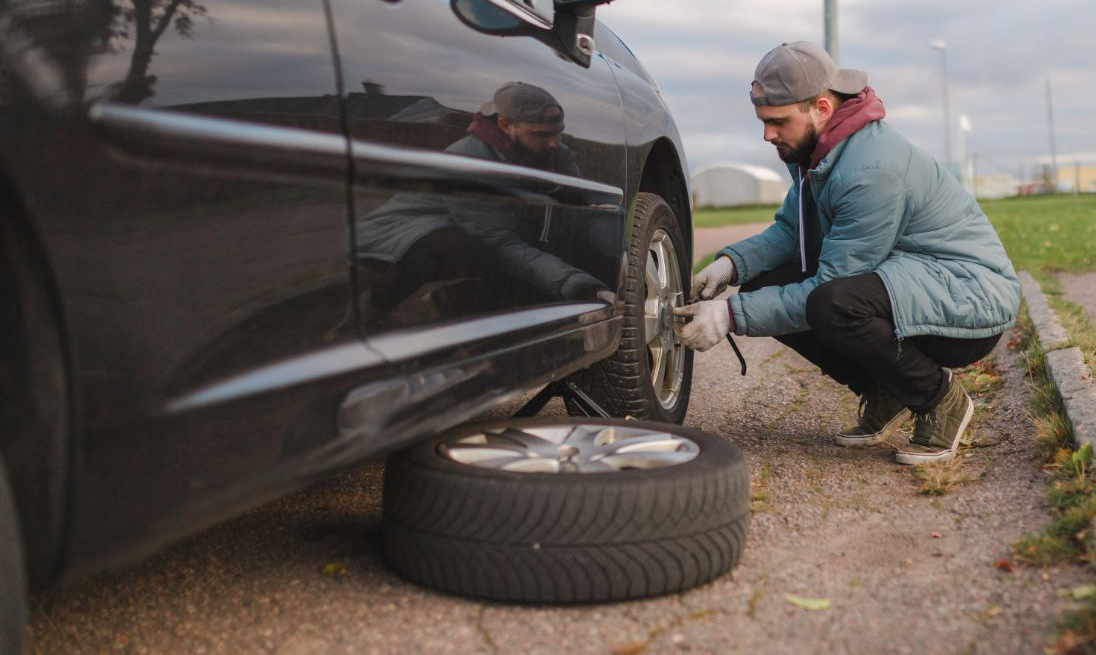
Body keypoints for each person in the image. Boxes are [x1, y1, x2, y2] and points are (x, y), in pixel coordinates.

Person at [674, 42, 1020, 465]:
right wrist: (731, 265)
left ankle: (938, 398)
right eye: (763, 122)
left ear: (821, 107)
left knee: (833, 303)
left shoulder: (869, 170)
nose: (767, 135)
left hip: (970, 298)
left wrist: (729, 316)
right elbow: (791, 230)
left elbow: (830, 285)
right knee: (766, 283)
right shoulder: (822, 152)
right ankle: (885, 389)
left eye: (778, 122)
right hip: (917, 279)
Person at [356, 81, 613, 317]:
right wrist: (583, 288)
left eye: (558, 132)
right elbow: (502, 243)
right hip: (404, 231)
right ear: (504, 125)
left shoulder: (554, 153)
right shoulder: (469, 161)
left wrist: (623, 249)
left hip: (473, 226)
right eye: (542, 134)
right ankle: (372, 309)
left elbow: (585, 206)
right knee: (472, 249)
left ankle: (452, 300)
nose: (555, 143)